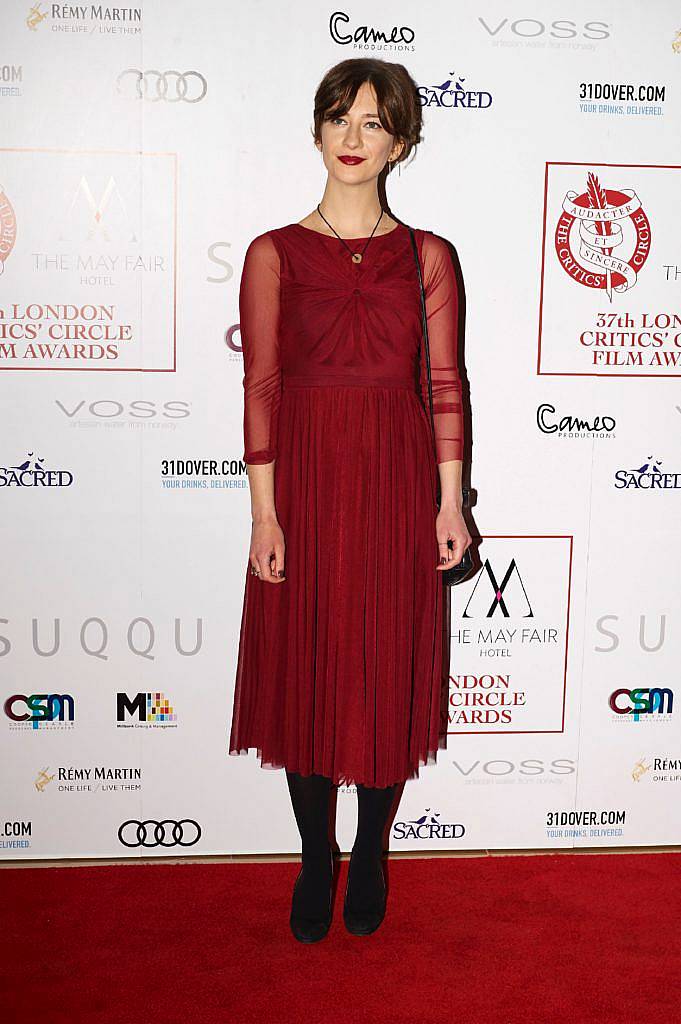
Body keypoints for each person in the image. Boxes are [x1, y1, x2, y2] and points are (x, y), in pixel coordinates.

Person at [229, 57, 471, 942]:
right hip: (307, 484)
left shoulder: (428, 257)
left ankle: (368, 848)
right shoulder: (272, 254)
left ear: (400, 140)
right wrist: (264, 513)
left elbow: (444, 385)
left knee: (380, 668)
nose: (352, 138)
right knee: (308, 673)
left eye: (373, 122)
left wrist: (450, 505)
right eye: (339, 118)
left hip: (399, 486)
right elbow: (260, 387)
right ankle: (315, 855)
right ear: (317, 130)